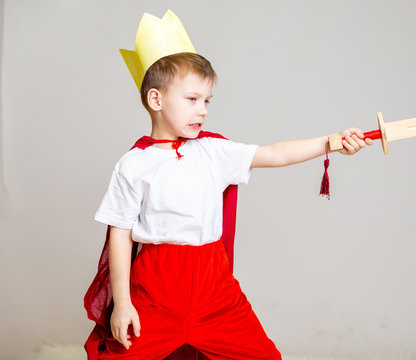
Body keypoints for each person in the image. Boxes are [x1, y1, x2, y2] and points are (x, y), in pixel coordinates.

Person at [85, 25, 372, 360]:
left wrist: (331, 142)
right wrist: (122, 303)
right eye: (192, 99)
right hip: (156, 290)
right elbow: (120, 234)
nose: (203, 110)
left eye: (207, 100)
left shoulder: (213, 151)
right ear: (156, 99)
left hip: (213, 287)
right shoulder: (134, 164)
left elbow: (275, 153)